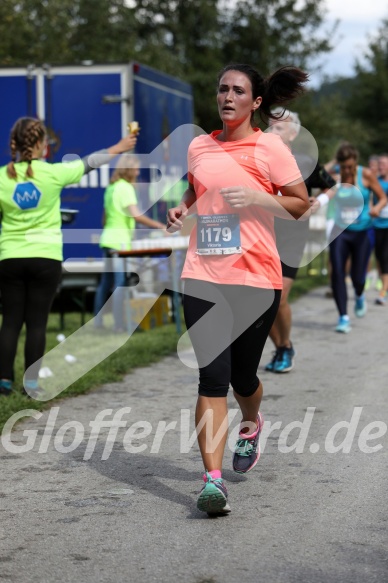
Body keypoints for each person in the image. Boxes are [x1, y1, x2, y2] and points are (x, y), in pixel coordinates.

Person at [167, 64, 310, 515]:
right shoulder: (199, 146)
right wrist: (182, 207)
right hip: (203, 273)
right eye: (222, 89)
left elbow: (300, 204)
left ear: (256, 102)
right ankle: (212, 481)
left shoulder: (269, 147)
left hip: (255, 276)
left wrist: (259, 198)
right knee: (211, 377)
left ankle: (251, 420)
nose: (228, 97)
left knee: (242, 377)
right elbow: (199, 190)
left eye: (238, 91)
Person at [0, 117, 137, 397]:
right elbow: (90, 162)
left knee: (11, 321)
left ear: (14, 144)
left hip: (10, 257)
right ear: (42, 146)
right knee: (37, 323)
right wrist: (120, 146)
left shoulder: (3, 176)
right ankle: (31, 384)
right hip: (45, 257)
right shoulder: (54, 174)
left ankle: (3, 383)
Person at [264, 108, 336, 373]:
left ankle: (283, 348)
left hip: (292, 236)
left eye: (280, 127)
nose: (273, 130)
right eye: (270, 125)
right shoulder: (258, 159)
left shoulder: (305, 162)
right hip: (261, 234)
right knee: (262, 304)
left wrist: (321, 200)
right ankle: (284, 347)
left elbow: (332, 185)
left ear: (293, 134)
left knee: (278, 298)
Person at [313, 142, 387, 333]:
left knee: (357, 278)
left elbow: (383, 197)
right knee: (338, 272)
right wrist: (316, 203)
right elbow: (327, 194)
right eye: (344, 166)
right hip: (340, 231)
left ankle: (360, 295)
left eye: (350, 166)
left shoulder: (366, 175)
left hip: (362, 232)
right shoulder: (336, 177)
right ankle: (343, 317)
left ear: (355, 163)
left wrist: (377, 208)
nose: (347, 170)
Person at [93, 154, 165, 332]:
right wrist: (159, 226)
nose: (138, 172)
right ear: (128, 170)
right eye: (135, 169)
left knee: (105, 283)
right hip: (119, 242)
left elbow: (104, 218)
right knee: (120, 283)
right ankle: (119, 325)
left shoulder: (111, 188)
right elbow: (136, 214)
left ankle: (98, 323)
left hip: (107, 239)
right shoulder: (125, 188)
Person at [373, 153, 388, 304]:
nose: (381, 166)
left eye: (384, 163)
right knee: (378, 256)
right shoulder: (375, 182)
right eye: (380, 163)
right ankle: (383, 283)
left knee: (384, 257)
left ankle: (383, 292)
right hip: (376, 224)